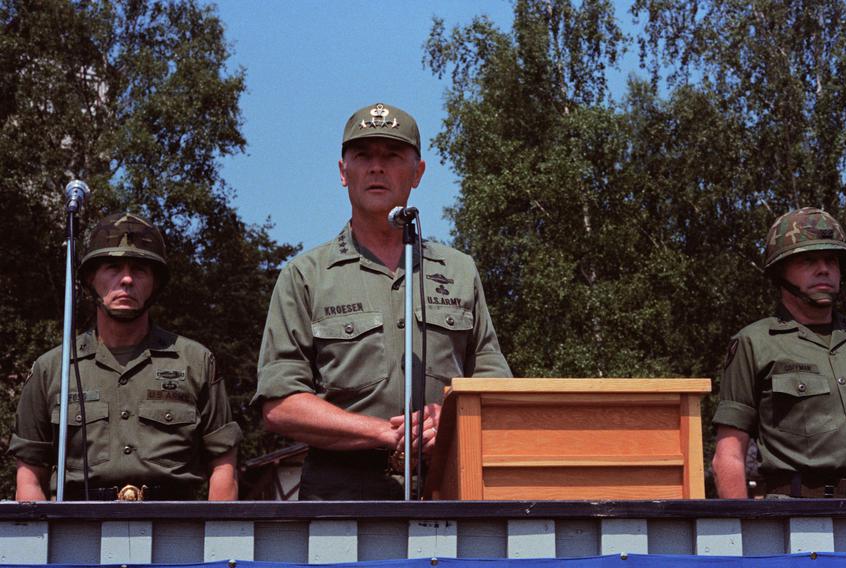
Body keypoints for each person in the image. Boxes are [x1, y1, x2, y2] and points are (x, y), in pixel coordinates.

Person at [254, 102, 512, 500]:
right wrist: (380, 432)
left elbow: (497, 387)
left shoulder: (460, 271)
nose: (377, 167)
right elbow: (280, 404)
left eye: (392, 155)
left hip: (449, 490)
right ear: (343, 172)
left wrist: (451, 420)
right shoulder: (306, 276)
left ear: (418, 172)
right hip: (340, 498)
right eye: (363, 156)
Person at [10, 213, 241, 501]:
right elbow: (30, 476)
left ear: (155, 283)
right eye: (112, 267)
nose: (127, 279)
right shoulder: (54, 369)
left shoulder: (195, 362)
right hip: (78, 529)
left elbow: (224, 469)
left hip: (176, 527)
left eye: (140, 269)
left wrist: (212, 542)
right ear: (90, 279)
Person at [712, 207, 846, 498]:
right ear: (780, 271)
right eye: (809, 260)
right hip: (794, 521)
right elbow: (728, 456)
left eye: (832, 260)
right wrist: (740, 535)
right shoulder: (755, 343)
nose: (824, 269)